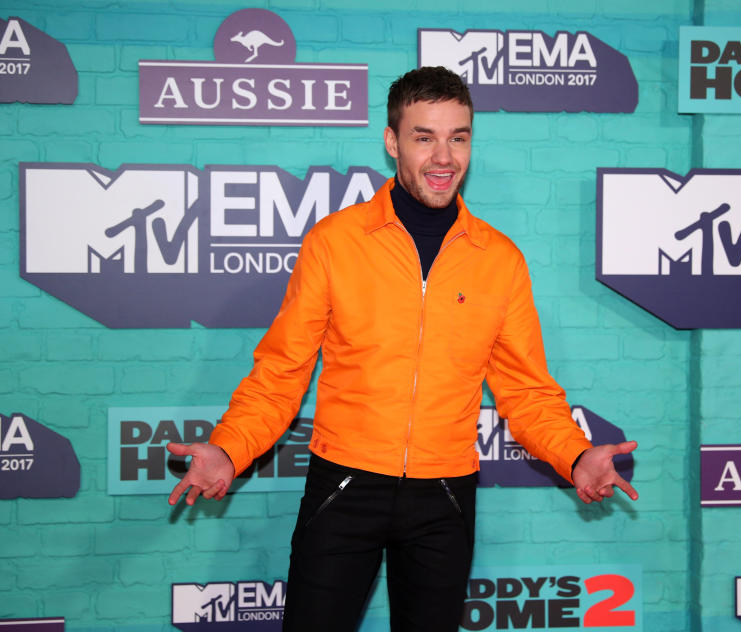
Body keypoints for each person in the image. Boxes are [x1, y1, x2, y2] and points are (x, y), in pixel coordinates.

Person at [167, 66, 638, 632]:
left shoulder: (499, 259)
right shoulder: (335, 243)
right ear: (392, 142)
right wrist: (229, 448)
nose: (444, 158)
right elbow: (280, 374)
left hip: (444, 496)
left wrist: (575, 454)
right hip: (343, 486)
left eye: (458, 137)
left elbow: (528, 392)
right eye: (424, 137)